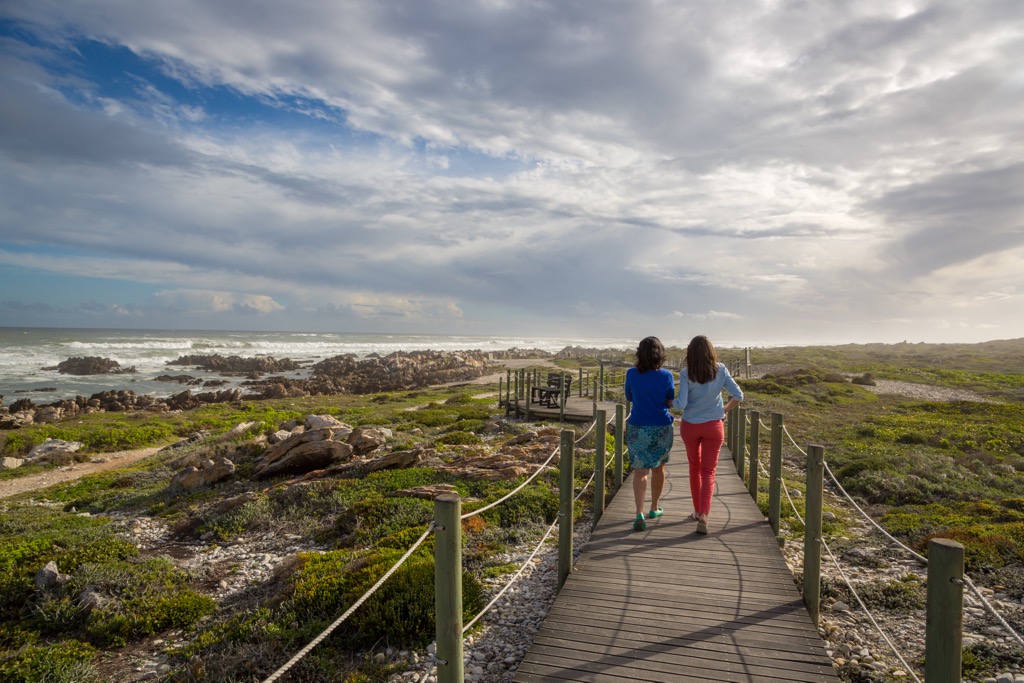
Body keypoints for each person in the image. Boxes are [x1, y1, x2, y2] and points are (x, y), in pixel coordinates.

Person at [672, 335, 743, 534]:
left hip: (691, 426)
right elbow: (738, 395)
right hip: (714, 426)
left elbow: (682, 404)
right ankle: (704, 514)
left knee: (694, 468)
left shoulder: (686, 373)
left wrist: (670, 404)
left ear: (690, 353)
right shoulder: (721, 370)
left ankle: (696, 511)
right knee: (709, 471)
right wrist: (725, 410)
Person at [623, 336, 675, 531]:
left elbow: (629, 396)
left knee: (640, 471)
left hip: (638, 426)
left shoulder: (631, 374)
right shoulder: (666, 375)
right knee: (659, 468)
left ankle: (639, 512)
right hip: (661, 426)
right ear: (660, 354)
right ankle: (654, 507)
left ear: (639, 353)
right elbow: (670, 402)